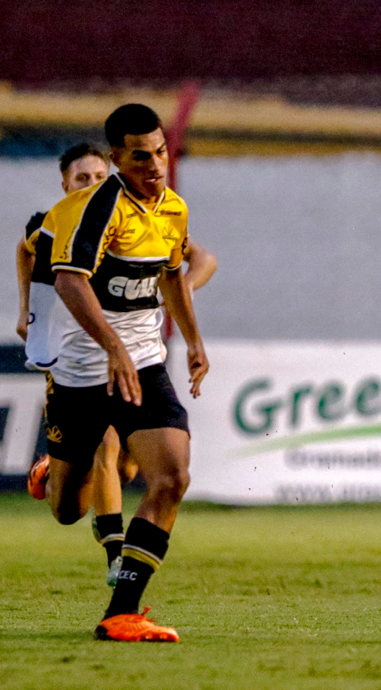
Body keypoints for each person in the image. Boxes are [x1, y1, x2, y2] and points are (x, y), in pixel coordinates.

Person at [30, 104, 209, 642]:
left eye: (160, 152)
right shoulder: (100, 207)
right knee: (69, 509)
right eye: (140, 157)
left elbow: (172, 276)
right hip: (82, 371)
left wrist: (194, 340)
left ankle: (121, 613)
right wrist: (111, 346)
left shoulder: (173, 208)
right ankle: (55, 472)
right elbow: (69, 280)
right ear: (116, 159)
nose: (154, 165)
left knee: (172, 477)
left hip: (143, 364)